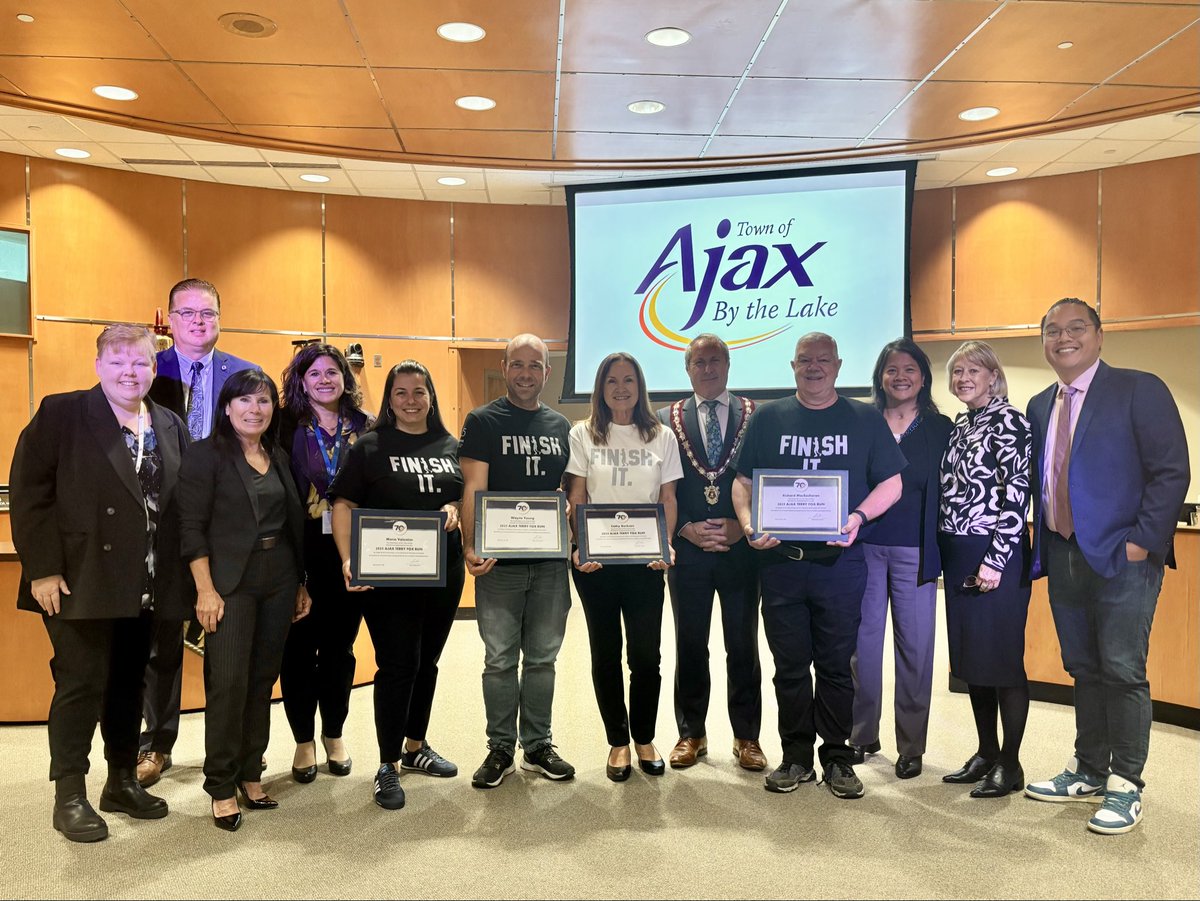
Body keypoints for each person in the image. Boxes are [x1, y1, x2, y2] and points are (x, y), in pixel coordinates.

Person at [11, 325, 188, 842]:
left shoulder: (169, 423)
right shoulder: (62, 413)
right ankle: (69, 793)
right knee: (81, 684)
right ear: (98, 366)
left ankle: (121, 780)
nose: (130, 372)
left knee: (129, 684)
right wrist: (43, 568)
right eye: (118, 362)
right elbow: (30, 494)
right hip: (78, 579)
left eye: (140, 363)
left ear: (153, 369)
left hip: (147, 583)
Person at [1023, 298, 1189, 835]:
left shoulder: (1139, 388)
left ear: (1099, 336)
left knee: (1121, 668)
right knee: (1083, 667)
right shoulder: (1039, 405)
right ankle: (1089, 769)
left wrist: (1142, 543)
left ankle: (1126, 783)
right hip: (1063, 551)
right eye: (1052, 330)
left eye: (1076, 327)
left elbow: (1171, 471)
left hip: (1124, 557)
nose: (1063, 338)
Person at [731, 332, 904, 799]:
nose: (814, 367)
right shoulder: (768, 417)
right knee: (789, 667)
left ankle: (837, 757)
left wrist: (858, 517)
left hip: (841, 565)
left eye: (823, 359)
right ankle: (795, 757)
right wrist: (748, 524)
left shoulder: (864, 418)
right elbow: (743, 483)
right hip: (781, 565)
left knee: (835, 666)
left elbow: (892, 484)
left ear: (838, 365)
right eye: (805, 360)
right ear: (793, 366)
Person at [178, 368, 310, 832]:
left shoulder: (276, 455)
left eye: (264, 400)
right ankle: (220, 784)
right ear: (227, 407)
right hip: (229, 583)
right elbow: (190, 528)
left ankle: (250, 773)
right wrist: (205, 589)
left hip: (279, 578)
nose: (256, 409)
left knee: (261, 680)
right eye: (246, 400)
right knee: (229, 682)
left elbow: (292, 524)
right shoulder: (205, 455)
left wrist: (300, 583)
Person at [329, 360, 465, 811]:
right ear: (389, 398)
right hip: (389, 575)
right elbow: (344, 504)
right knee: (398, 664)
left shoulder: (451, 445)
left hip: (443, 572)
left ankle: (415, 746)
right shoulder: (370, 447)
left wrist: (453, 507)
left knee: (427, 662)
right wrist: (348, 558)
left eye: (419, 391)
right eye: (401, 392)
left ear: (431, 397)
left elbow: (461, 494)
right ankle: (387, 763)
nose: (410, 400)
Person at [138, 278, 257, 788]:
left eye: (207, 313)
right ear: (170, 319)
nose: (197, 321)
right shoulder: (147, 370)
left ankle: (230, 752)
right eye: (186, 313)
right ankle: (156, 742)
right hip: (164, 526)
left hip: (227, 527)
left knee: (226, 642)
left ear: (219, 318)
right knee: (163, 641)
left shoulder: (243, 374)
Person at [460, 334, 576, 788]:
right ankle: (500, 748)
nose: (526, 373)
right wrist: (471, 545)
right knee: (500, 660)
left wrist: (567, 510)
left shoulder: (561, 426)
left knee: (543, 659)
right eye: (517, 364)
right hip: (499, 565)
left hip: (548, 564)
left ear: (547, 373)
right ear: (505, 367)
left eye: (535, 366)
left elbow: (570, 492)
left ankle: (538, 745)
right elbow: (473, 488)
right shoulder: (482, 421)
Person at [565, 352, 681, 782]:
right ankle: (618, 741)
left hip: (645, 562)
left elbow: (668, 498)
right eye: (611, 381)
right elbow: (577, 495)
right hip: (596, 563)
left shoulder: (661, 436)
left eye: (628, 380)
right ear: (600, 388)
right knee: (606, 653)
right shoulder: (583, 433)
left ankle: (645, 737)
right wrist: (579, 545)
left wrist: (666, 545)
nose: (620, 388)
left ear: (639, 386)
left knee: (647, 656)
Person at [655, 334, 765, 772]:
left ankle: (747, 737)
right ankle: (691, 733)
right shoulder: (664, 420)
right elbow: (659, 486)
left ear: (728, 364)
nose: (708, 368)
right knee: (689, 643)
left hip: (742, 550)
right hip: (689, 551)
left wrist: (743, 524)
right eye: (699, 362)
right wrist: (684, 527)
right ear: (687, 369)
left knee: (743, 645)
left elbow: (766, 477)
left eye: (715, 359)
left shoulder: (756, 415)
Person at [848, 339, 953, 780]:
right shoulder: (862, 421)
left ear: (923, 377)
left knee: (915, 649)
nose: (900, 377)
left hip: (917, 552)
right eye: (891, 369)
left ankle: (911, 745)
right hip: (865, 547)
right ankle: (861, 734)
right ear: (880, 377)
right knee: (862, 647)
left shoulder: (941, 427)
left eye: (909, 369)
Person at [937, 341, 1032, 799]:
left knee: (1002, 661)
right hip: (959, 551)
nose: (963, 379)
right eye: (957, 372)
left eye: (973, 371)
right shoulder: (962, 424)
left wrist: (995, 559)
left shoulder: (1009, 420)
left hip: (995, 553)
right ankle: (986, 751)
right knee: (974, 660)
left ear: (993, 376)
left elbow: (1017, 492)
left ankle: (1010, 764)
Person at [278, 344, 371, 783]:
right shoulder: (283, 426)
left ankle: (334, 733)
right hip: (298, 549)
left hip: (349, 550)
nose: (323, 380)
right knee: (297, 649)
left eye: (332, 372)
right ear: (301, 380)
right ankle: (303, 740)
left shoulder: (367, 426)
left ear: (345, 378)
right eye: (313, 373)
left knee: (339, 648)